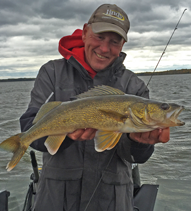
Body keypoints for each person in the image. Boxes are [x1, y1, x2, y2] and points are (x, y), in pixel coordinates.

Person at [20, 4, 170, 211]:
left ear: (123, 44)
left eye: (114, 42)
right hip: (56, 199)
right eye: (99, 37)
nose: (105, 48)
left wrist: (140, 143)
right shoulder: (51, 73)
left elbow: (136, 157)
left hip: (112, 201)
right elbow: (30, 126)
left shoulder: (134, 87)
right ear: (84, 33)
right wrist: (64, 137)